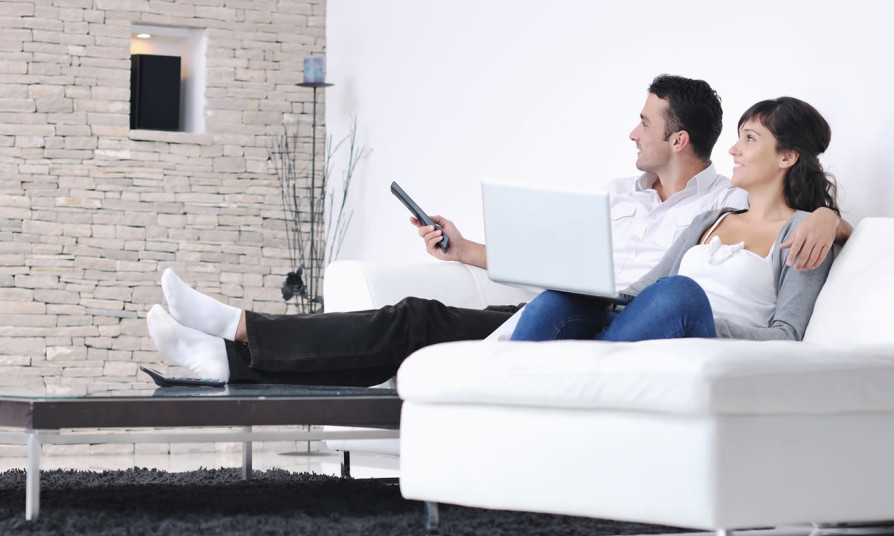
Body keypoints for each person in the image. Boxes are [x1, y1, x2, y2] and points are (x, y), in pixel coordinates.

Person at [147, 76, 849, 386]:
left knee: (676, 302)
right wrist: (469, 249)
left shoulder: (721, 200)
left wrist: (828, 215)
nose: (631, 132)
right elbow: (605, 274)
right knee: (424, 315)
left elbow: (781, 286)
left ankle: (239, 345)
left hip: (662, 325)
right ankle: (237, 344)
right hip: (602, 308)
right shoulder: (690, 213)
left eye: (645, 122)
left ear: (680, 139)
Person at [511, 97, 838, 343]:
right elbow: (642, 290)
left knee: (680, 292)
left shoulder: (806, 232)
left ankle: (591, 366)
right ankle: (511, 392)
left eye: (750, 139)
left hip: (701, 339)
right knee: (556, 300)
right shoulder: (713, 219)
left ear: (787, 156)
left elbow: (787, 334)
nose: (733, 150)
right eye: (738, 138)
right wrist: (587, 292)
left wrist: (702, 322)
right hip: (645, 327)